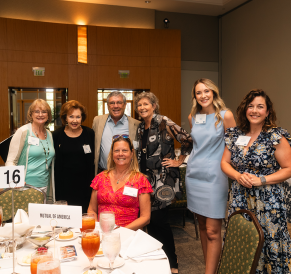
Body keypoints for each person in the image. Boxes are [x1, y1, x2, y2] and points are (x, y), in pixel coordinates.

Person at [221, 89, 291, 273]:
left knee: (269, 244)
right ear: (245, 109)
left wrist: (261, 180)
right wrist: (237, 176)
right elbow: (224, 162)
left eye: (260, 107)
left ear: (268, 111)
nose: (254, 110)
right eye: (251, 106)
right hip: (240, 198)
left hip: (268, 201)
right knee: (242, 243)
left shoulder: (275, 136)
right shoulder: (235, 134)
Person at [134, 92, 193, 274]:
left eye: (146, 104)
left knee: (160, 221)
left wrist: (179, 160)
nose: (142, 108)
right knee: (149, 222)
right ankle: (158, 262)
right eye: (139, 105)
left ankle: (172, 264)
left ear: (153, 105)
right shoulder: (140, 127)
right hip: (145, 180)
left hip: (163, 180)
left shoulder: (164, 122)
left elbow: (188, 139)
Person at [185, 78, 236, 274]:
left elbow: (233, 148)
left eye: (207, 91)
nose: (203, 95)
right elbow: (195, 145)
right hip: (194, 175)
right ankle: (210, 269)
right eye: (199, 92)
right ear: (195, 96)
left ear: (213, 93)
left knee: (214, 231)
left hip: (215, 176)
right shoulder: (193, 117)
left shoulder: (225, 115)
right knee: (202, 228)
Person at [87, 135, 152, 230]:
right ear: (112, 154)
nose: (120, 154)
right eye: (116, 151)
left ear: (132, 153)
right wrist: (98, 229)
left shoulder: (140, 180)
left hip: (129, 233)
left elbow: (145, 218)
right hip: (102, 233)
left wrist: (122, 231)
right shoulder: (100, 178)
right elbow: (92, 210)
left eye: (124, 150)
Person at [6, 99, 55, 196]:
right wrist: (15, 181)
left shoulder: (48, 134)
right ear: (31, 114)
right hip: (23, 186)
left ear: (48, 115)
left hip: (44, 186)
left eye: (44, 112)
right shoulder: (23, 131)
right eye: (37, 111)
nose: (40, 114)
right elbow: (10, 160)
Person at [52, 100, 95, 213]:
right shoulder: (56, 135)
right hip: (63, 186)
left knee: (84, 218)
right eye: (71, 117)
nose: (74, 120)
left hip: (85, 186)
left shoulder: (89, 133)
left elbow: (93, 160)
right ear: (65, 118)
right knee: (65, 218)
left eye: (78, 117)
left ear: (82, 118)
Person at [92, 91, 140, 175]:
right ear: (108, 106)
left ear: (125, 105)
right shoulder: (97, 121)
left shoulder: (135, 124)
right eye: (112, 103)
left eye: (119, 102)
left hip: (127, 174)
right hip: (103, 173)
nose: (116, 106)